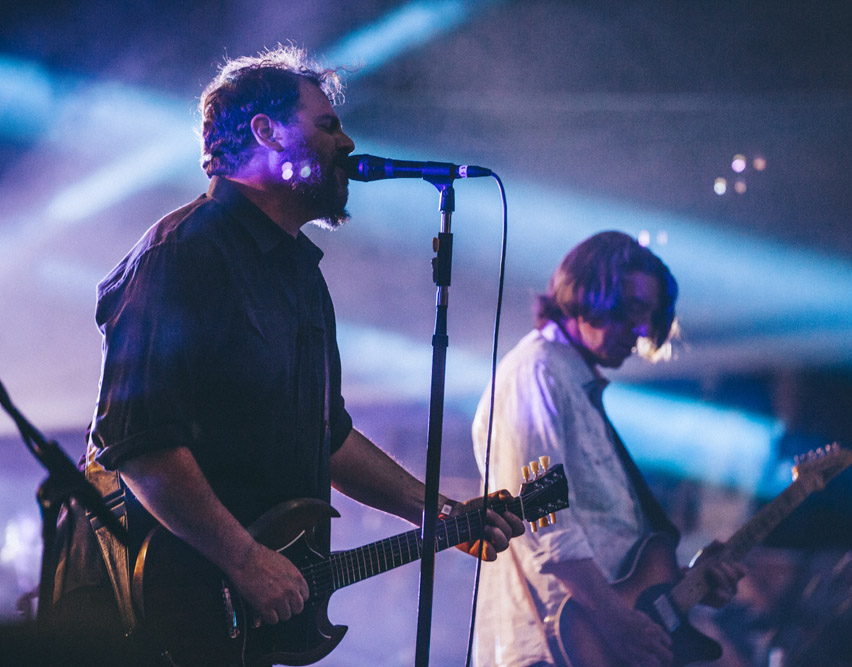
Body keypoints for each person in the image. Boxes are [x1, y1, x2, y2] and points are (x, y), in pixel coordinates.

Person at [46, 44, 524, 662]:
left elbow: (326, 435)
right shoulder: (182, 255)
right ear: (266, 132)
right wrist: (244, 560)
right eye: (327, 125)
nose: (347, 143)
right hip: (156, 618)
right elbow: (139, 445)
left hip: (245, 626)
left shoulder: (301, 275)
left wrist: (440, 515)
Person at [471, 231, 745, 667]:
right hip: (548, 651)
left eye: (650, 316)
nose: (642, 330)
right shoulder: (537, 372)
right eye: (633, 308)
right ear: (586, 292)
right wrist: (617, 621)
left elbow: (613, 551)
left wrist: (684, 584)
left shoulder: (575, 384)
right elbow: (545, 522)